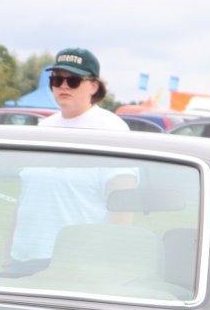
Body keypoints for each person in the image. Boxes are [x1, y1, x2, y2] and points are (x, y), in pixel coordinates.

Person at [8, 47, 133, 267]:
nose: (63, 86)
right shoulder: (43, 128)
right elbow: (24, 197)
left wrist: (112, 265)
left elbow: (122, 205)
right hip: (24, 257)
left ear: (94, 86)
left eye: (73, 80)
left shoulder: (112, 130)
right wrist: (9, 252)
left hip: (76, 262)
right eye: (57, 79)